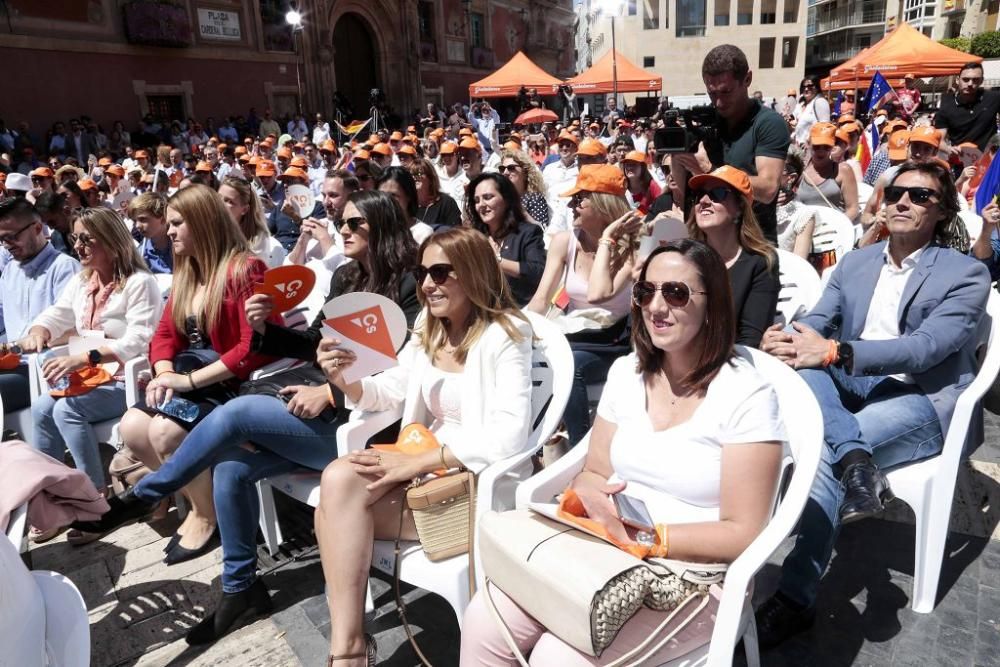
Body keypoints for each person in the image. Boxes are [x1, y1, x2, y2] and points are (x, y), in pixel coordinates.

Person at [71, 189, 421, 644]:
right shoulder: (348, 277)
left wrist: (330, 393)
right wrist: (265, 329)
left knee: (236, 414)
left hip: (367, 427)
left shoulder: (412, 286)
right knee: (232, 466)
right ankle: (241, 590)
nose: (344, 230)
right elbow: (310, 346)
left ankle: (143, 495)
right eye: (344, 223)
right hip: (323, 409)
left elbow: (402, 371)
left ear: (385, 229)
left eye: (356, 225)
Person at [462, 239, 785, 665]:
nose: (655, 306)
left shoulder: (747, 394)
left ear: (714, 304)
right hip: (604, 554)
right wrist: (591, 497)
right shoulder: (626, 374)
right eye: (644, 292)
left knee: (558, 658)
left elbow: (744, 531)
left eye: (675, 293)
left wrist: (647, 539)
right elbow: (594, 471)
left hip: (697, 576)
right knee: (484, 619)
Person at [755, 161, 990, 648]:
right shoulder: (857, 262)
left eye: (920, 196)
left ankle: (795, 597)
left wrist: (835, 350)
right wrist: (793, 337)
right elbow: (820, 317)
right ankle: (857, 461)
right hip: (853, 382)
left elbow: (926, 348)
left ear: (943, 209)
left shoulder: (966, 273)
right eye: (896, 191)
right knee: (805, 368)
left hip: (921, 395)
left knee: (820, 456)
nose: (902, 202)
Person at [313, 226, 534, 665]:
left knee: (332, 503)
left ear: (472, 273)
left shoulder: (506, 335)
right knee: (336, 484)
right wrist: (345, 381)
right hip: (424, 472)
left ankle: (349, 651)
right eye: (421, 272)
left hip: (478, 483)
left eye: (439, 272)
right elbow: (392, 390)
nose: (427, 284)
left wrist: (409, 467)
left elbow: (509, 435)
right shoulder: (429, 328)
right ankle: (349, 648)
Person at [115, 185, 282, 565]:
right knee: (132, 427)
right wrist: (163, 372)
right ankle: (195, 501)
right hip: (190, 376)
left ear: (203, 224)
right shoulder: (189, 270)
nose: (168, 232)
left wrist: (187, 382)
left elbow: (252, 348)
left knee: (163, 431)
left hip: (233, 384)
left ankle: (208, 515)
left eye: (176, 223)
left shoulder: (246, 269)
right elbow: (163, 335)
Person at [20, 208, 161, 536]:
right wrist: (41, 330)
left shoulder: (139, 283)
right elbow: (57, 314)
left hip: (131, 380)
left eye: (87, 239)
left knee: (68, 410)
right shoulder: (83, 281)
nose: (78, 246)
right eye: (75, 239)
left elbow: (141, 339)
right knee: (42, 408)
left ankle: (95, 500)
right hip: (94, 380)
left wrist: (87, 357)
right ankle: (56, 498)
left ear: (111, 242)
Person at [527, 164, 636, 446]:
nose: (571, 205)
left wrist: (607, 241)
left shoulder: (634, 245)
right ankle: (537, 441)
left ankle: (580, 449)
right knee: (535, 357)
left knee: (566, 365)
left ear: (602, 204)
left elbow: (601, 293)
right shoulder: (564, 242)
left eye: (579, 199)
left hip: (615, 340)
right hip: (572, 334)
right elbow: (541, 298)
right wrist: (518, 325)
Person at [676, 45, 789, 244]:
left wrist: (711, 171)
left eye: (726, 92)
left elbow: (768, 189)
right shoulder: (707, 122)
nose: (718, 102)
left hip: (753, 246)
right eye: (712, 94)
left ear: (747, 79)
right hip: (708, 243)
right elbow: (682, 189)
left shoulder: (768, 123)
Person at [0, 198, 79, 415]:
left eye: (12, 237)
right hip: (10, 364)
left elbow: (73, 331)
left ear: (37, 228)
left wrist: (21, 345)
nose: (7, 245)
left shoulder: (64, 268)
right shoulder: (9, 271)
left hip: (44, 369)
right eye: (2, 239)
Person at [687, 166, 779, 348]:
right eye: (700, 195)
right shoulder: (683, 258)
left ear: (740, 208)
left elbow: (750, 340)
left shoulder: (761, 262)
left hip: (731, 364)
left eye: (717, 193)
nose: (704, 201)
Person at [466, 172, 546, 306]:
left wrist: (496, 260)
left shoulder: (527, 233)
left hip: (519, 310)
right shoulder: (475, 236)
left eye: (488, 197)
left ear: (507, 199)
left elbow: (537, 272)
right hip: (483, 308)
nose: (481, 205)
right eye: (477, 200)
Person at [286, 169, 357, 271]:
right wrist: (302, 241)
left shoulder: (359, 232)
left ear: (352, 196)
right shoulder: (319, 225)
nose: (326, 202)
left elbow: (347, 275)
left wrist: (324, 238)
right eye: (324, 195)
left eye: (333, 195)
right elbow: (289, 272)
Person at [218, 175, 285, 268]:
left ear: (244, 210)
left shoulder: (259, 243)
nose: (220, 204)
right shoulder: (210, 230)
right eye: (218, 197)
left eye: (229, 201)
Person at [796, 123, 859, 222]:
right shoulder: (800, 169)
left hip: (833, 230)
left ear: (832, 147)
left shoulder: (843, 170)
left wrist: (835, 226)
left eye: (826, 147)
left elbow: (853, 209)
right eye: (817, 146)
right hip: (803, 227)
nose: (821, 151)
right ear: (808, 144)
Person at [934, 62, 1000, 152]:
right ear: (957, 80)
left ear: (981, 80)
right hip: (960, 159)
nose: (970, 83)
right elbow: (939, 140)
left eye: (975, 80)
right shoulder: (946, 103)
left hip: (990, 159)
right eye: (966, 79)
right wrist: (949, 150)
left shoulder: (993, 98)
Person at [376, 166, 434, 244]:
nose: (386, 200)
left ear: (408, 196)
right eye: (382, 195)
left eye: (393, 195)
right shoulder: (373, 230)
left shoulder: (423, 234)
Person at [776, 153, 817, 259]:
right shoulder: (755, 204)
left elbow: (799, 262)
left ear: (791, 178)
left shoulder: (804, 215)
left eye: (775, 167)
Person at [498, 148, 550, 227]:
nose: (505, 172)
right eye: (502, 169)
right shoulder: (500, 199)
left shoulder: (535, 198)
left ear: (525, 172)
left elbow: (541, 229)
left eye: (511, 168)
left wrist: (519, 210)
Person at [542, 131, 581, 235]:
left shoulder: (581, 169)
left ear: (576, 149)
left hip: (571, 215)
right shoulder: (549, 168)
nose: (564, 148)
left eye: (568, 145)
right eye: (561, 145)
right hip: (551, 214)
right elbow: (542, 190)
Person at [409, 158, 462, 229]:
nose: (414, 177)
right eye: (411, 175)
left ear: (430, 178)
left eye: (418, 173)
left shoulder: (447, 203)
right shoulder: (408, 205)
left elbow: (456, 233)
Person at [128, 192, 173, 274]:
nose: (137, 226)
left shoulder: (181, 246)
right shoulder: (140, 254)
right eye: (134, 221)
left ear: (163, 219)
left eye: (143, 219)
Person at [792, 75, 831, 147]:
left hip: (811, 149)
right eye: (804, 87)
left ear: (817, 87)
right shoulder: (802, 104)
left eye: (810, 86)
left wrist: (810, 143)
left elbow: (825, 128)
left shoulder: (820, 102)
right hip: (798, 147)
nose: (806, 89)